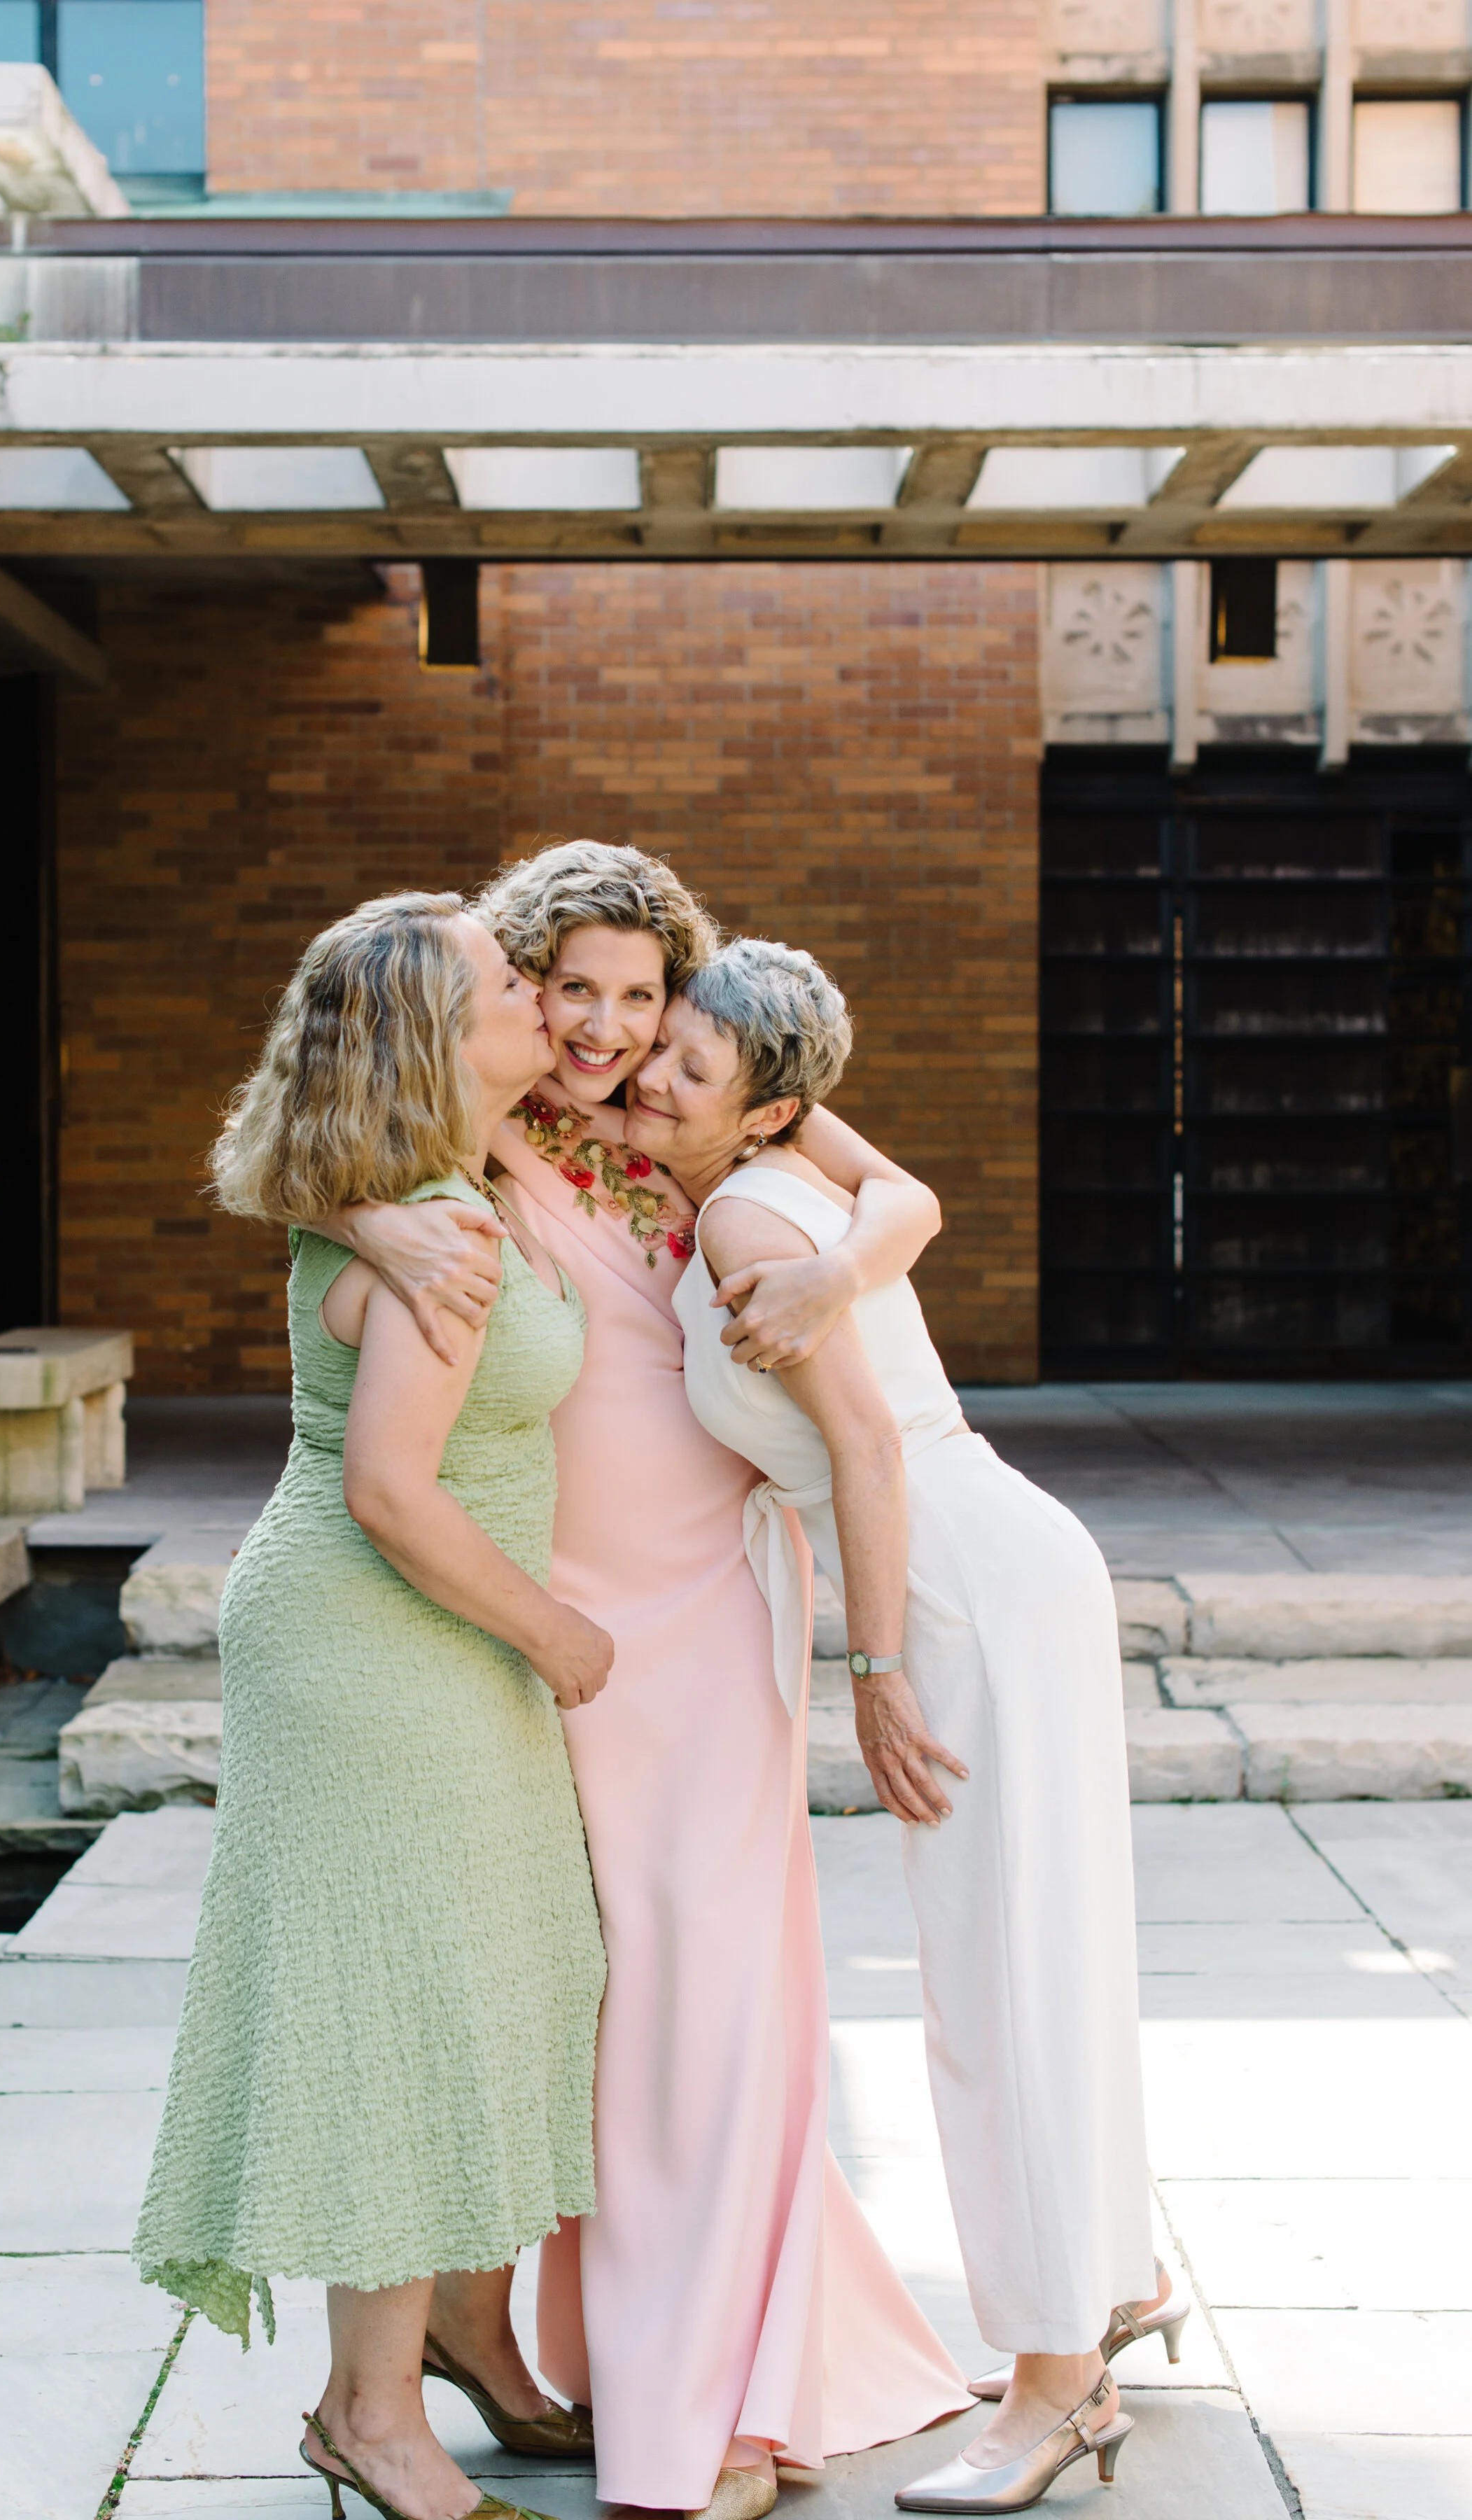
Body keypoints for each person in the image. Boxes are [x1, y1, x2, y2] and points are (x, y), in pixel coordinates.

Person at [339, 844, 971, 2520]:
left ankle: (731, 2392)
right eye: (579, 991)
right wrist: (356, 1217)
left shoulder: (702, 1111)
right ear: (524, 988)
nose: (614, 1028)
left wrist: (844, 1269)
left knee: (711, 1988)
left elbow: (898, 1193)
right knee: (602, 1998)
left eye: (644, 998)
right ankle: (614, 2338)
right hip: (560, 1612)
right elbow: (296, 1142)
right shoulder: (467, 1118)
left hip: (705, 1608)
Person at [627, 934, 1182, 2516]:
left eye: (688, 1067)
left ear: (762, 1104)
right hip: (997, 1559)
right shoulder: (782, 1159)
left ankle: (1056, 2392)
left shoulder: (743, 1200)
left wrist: (871, 1678)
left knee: (996, 1982)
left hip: (955, 1592)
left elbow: (861, 1454)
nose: (652, 1078)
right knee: (1042, 1952)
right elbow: (906, 1205)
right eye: (658, 1048)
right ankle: (1112, 2279)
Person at [133, 893, 612, 2520]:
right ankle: (370, 2415)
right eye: (506, 983)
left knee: (476, 1984)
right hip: (378, 1638)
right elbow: (392, 1494)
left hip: (419, 1645)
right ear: (440, 1034)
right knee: (399, 2014)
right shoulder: (439, 1225)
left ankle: (454, 2345)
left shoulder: (446, 1190)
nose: (539, 1000)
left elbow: (295, 1152)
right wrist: (557, 1634)